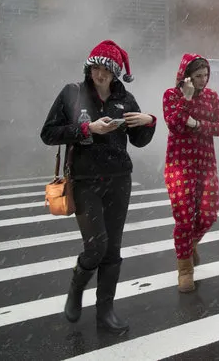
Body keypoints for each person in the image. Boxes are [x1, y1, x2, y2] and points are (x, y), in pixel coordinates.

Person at [40, 40, 156, 334]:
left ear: (116, 73)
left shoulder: (125, 99)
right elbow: (48, 134)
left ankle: (105, 311)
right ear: (89, 67)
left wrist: (148, 122)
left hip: (119, 181)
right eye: (95, 68)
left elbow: (139, 141)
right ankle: (77, 286)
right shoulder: (72, 93)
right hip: (85, 182)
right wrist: (86, 129)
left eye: (106, 69)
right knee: (96, 245)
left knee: (113, 249)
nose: (100, 74)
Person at [162, 53, 219, 292]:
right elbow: (175, 124)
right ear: (186, 77)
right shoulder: (171, 95)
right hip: (180, 165)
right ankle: (185, 269)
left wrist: (198, 125)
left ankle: (189, 247)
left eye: (206, 75)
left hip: (206, 162)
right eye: (198, 76)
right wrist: (187, 99)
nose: (203, 80)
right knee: (185, 219)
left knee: (209, 214)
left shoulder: (212, 97)